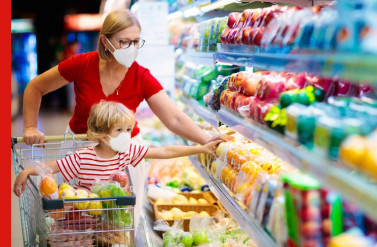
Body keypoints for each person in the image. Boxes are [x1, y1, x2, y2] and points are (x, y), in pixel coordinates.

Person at [21, 8, 225, 227]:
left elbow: (174, 118)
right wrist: (30, 127)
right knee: (75, 218)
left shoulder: (141, 76)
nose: (132, 49)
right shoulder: (82, 64)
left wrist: (205, 140)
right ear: (105, 42)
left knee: (119, 224)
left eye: (137, 42)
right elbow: (35, 87)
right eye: (124, 42)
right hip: (80, 151)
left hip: (123, 155)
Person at [14, 100, 221, 198]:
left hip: (115, 220)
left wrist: (201, 148)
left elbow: (165, 151)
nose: (126, 135)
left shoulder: (127, 152)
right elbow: (53, 167)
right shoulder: (82, 157)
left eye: (129, 130)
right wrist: (26, 171)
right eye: (119, 130)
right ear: (102, 135)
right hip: (86, 219)